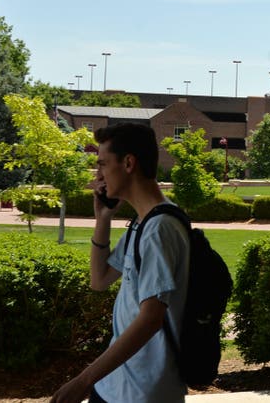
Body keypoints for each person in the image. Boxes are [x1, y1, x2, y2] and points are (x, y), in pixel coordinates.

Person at [51, 123, 190, 403]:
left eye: (102, 164)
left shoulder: (159, 228)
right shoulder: (144, 221)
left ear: (128, 163)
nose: (98, 174)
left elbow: (151, 318)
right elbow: (99, 280)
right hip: (115, 384)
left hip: (141, 391)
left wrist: (82, 381)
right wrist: (103, 219)